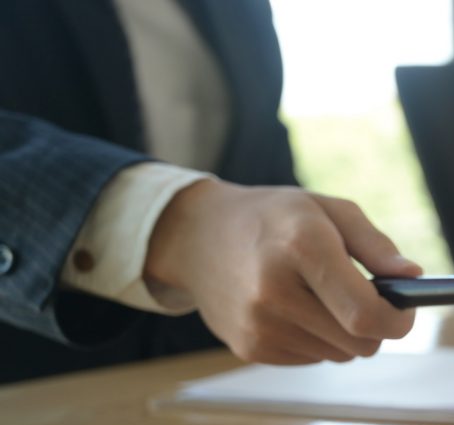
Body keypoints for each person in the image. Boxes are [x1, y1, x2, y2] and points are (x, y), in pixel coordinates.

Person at [0, 0, 421, 384]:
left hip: (221, 402)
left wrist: (306, 264)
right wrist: (179, 230)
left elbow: (261, 168)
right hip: (30, 411)